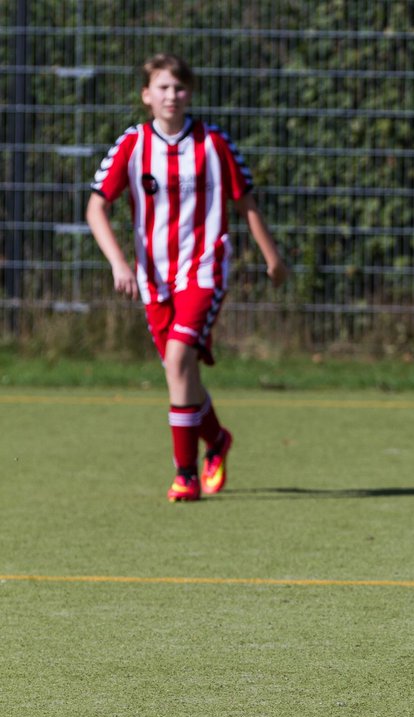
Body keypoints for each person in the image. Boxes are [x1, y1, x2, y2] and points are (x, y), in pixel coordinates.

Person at [86, 53, 288, 501]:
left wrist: (272, 257)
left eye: (178, 88)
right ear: (146, 96)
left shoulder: (214, 143)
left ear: (189, 94)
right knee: (181, 374)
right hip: (153, 277)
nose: (171, 96)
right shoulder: (132, 145)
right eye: (162, 87)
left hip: (203, 269)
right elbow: (96, 206)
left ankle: (185, 474)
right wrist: (120, 263)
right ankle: (216, 440)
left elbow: (245, 202)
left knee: (179, 361)